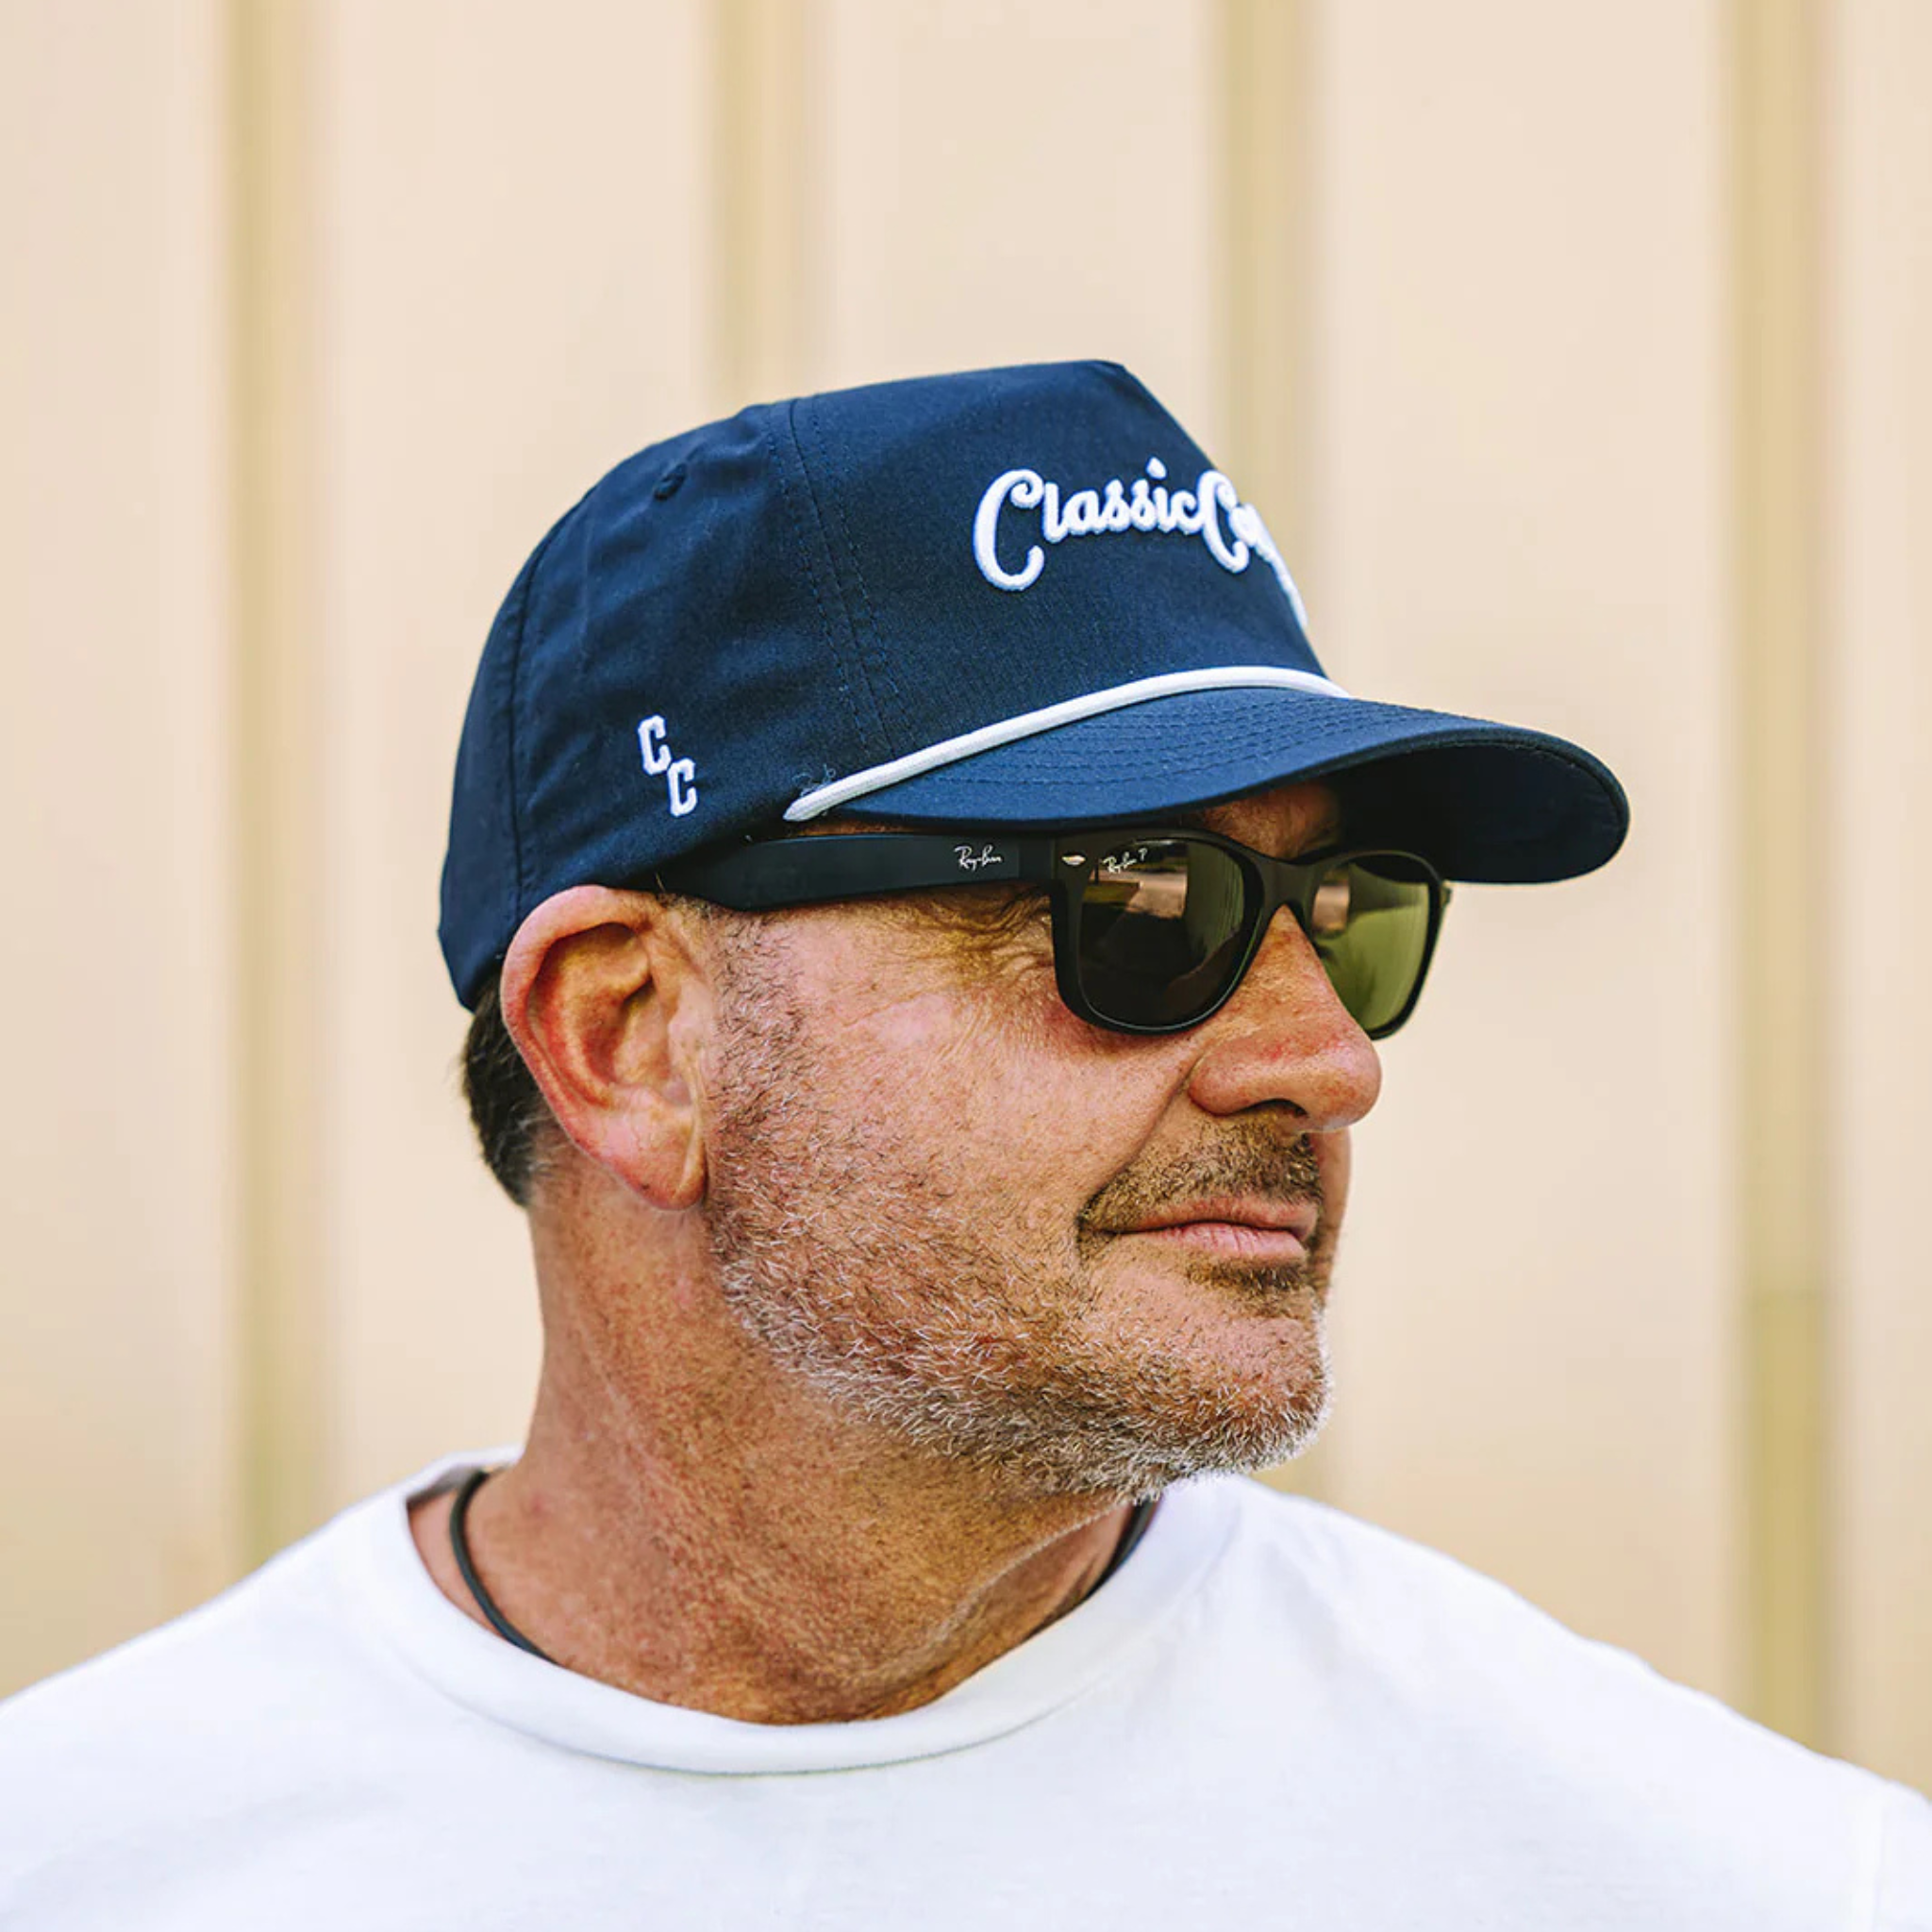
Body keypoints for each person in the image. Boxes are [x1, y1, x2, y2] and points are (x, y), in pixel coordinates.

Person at [3, 359, 1926, 1927]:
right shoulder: (100, 1857)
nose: (1324, 1060)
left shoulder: (1697, 1872)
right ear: (629, 1038)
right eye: (1138, 904)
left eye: (1352, 910)